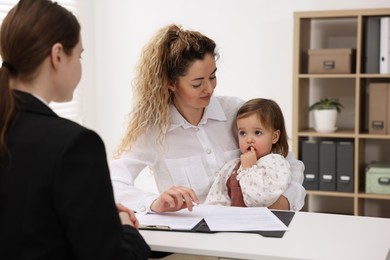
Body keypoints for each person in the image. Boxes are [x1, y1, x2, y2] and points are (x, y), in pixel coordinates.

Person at [0, 1, 150, 259]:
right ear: (58, 55)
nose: (80, 64)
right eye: (79, 55)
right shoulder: (75, 145)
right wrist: (124, 226)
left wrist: (94, 213)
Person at [110, 24, 306, 215]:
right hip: (197, 240)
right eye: (197, 83)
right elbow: (112, 183)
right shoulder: (154, 132)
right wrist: (153, 202)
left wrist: (287, 200)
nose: (210, 89)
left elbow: (290, 162)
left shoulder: (236, 112)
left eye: (212, 77)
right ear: (171, 83)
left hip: (254, 231)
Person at [205, 98, 291, 207]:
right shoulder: (232, 166)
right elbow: (217, 197)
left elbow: (261, 199)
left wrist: (249, 168)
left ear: (274, 137)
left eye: (257, 132)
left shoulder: (276, 163)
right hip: (233, 222)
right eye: (243, 133)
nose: (249, 139)